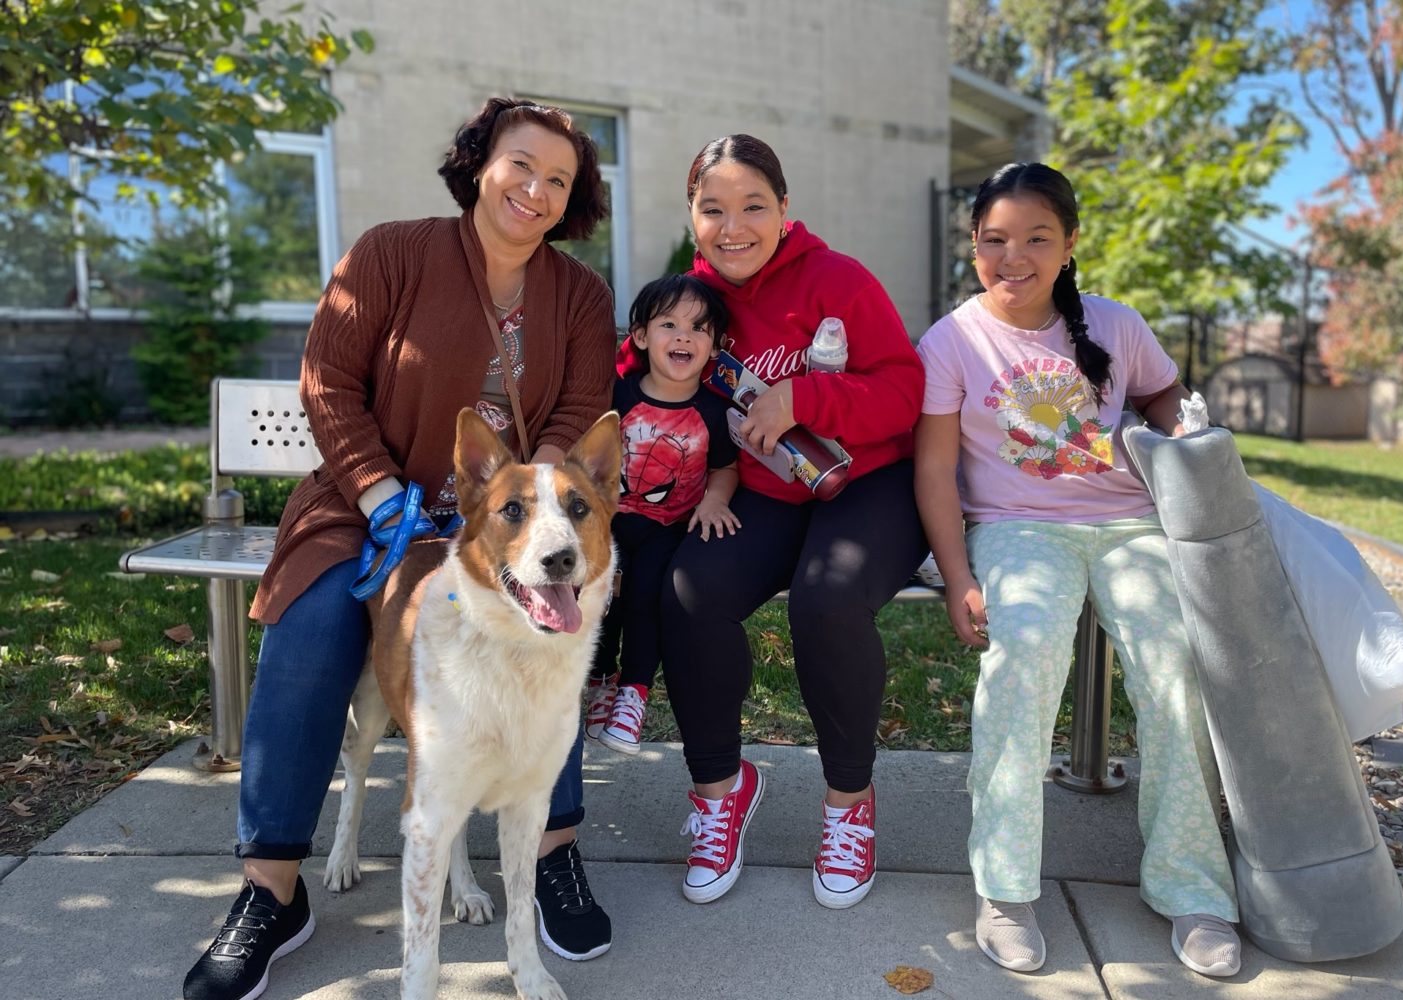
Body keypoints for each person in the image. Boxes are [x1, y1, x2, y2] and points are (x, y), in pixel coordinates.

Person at [183, 98, 618, 1000]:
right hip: (366, 505)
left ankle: (552, 850)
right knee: (312, 627)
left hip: (505, 518)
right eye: (521, 164)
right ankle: (272, 890)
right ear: (479, 163)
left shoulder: (580, 296)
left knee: (549, 626)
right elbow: (328, 382)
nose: (535, 189)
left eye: (559, 179)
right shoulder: (390, 254)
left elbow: (580, 419)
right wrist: (385, 500)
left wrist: (524, 508)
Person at [912, 162, 1241, 978]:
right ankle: (1005, 888)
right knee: (1022, 657)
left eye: (1036, 239)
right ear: (973, 245)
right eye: (995, 240)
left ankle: (1193, 886)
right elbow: (935, 469)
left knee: (1177, 665)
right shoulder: (952, 340)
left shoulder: (1116, 324)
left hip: (1130, 526)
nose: (1013, 257)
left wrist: (1184, 432)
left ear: (1069, 245)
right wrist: (957, 575)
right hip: (1018, 530)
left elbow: (1165, 396)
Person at [648, 134, 929, 911]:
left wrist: (805, 397)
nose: (733, 227)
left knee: (826, 599)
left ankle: (849, 804)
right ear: (691, 215)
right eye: (713, 209)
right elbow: (643, 381)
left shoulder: (839, 279)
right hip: (765, 490)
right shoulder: (690, 304)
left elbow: (904, 390)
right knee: (689, 592)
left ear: (784, 209)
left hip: (870, 482)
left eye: (753, 207)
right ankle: (721, 791)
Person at [585, 274, 740, 755]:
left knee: (645, 597)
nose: (683, 337)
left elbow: (725, 468)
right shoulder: (618, 397)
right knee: (601, 597)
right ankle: (599, 680)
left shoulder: (713, 412)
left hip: (668, 528)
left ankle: (634, 692)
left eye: (698, 328)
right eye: (668, 324)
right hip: (608, 524)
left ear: (715, 346)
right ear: (639, 336)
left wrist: (715, 500)